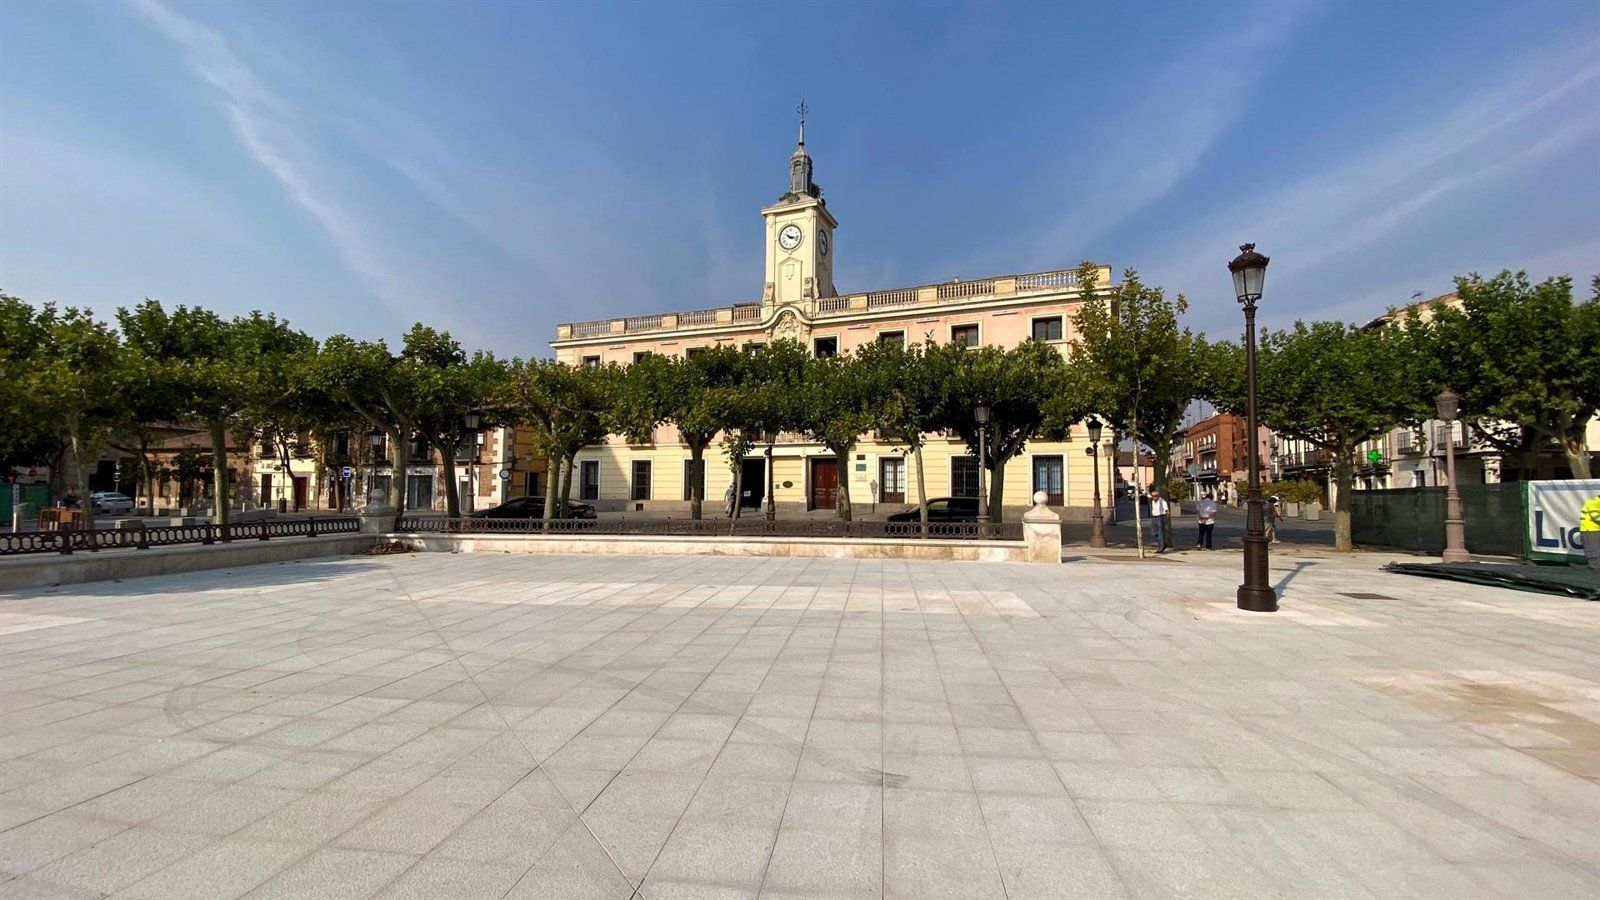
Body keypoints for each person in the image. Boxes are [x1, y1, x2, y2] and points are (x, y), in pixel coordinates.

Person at [1581, 491, 1600, 571]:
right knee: (1594, 553)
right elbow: (1596, 517)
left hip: (1595, 530)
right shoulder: (1593, 503)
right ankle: (1594, 571)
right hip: (1590, 531)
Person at [1148, 488, 1170, 553]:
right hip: (1154, 518)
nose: (1153, 497)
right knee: (1153, 532)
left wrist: (1167, 517)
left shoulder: (1162, 501)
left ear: (1158, 496)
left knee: (1160, 533)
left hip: (1161, 517)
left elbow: (1166, 510)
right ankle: (1163, 543)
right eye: (1152, 496)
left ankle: (1161, 548)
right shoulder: (1152, 502)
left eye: (1155, 496)